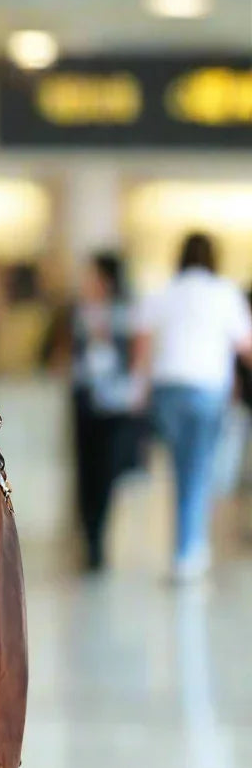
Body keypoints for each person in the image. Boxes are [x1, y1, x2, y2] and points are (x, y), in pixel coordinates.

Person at [134, 233, 252, 581]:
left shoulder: (164, 291)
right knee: (197, 468)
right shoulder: (225, 293)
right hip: (207, 389)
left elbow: (142, 342)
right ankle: (189, 551)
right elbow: (245, 344)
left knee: (182, 467)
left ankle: (189, 547)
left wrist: (137, 389)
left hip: (168, 389)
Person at [69, 253, 144, 571]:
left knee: (106, 471)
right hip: (85, 399)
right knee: (85, 470)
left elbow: (138, 356)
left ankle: (99, 534)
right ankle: (90, 537)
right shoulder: (80, 312)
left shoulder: (127, 314)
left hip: (115, 403)